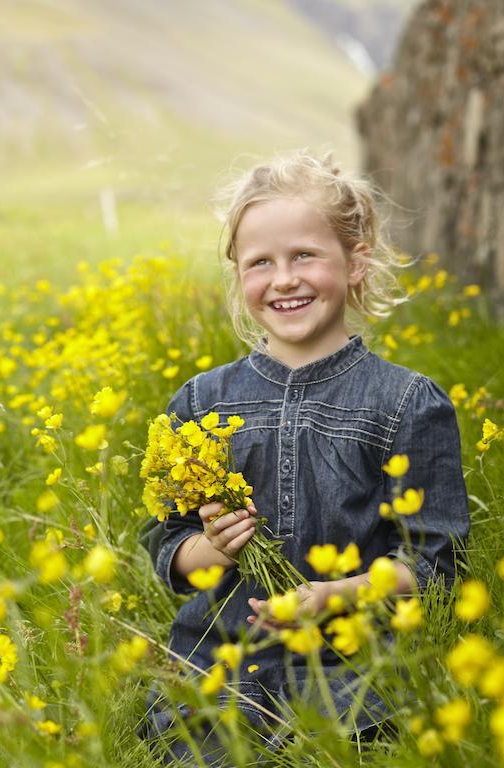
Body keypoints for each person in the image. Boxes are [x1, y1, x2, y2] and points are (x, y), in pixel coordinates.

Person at [137, 150, 470, 765]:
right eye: (261, 262)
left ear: (355, 262)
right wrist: (213, 546)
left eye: (305, 256)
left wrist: (335, 595)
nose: (283, 279)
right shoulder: (200, 401)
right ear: (238, 273)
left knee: (353, 744)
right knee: (203, 747)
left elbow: (435, 567)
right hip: (225, 661)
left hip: (358, 666)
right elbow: (167, 545)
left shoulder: (406, 402)